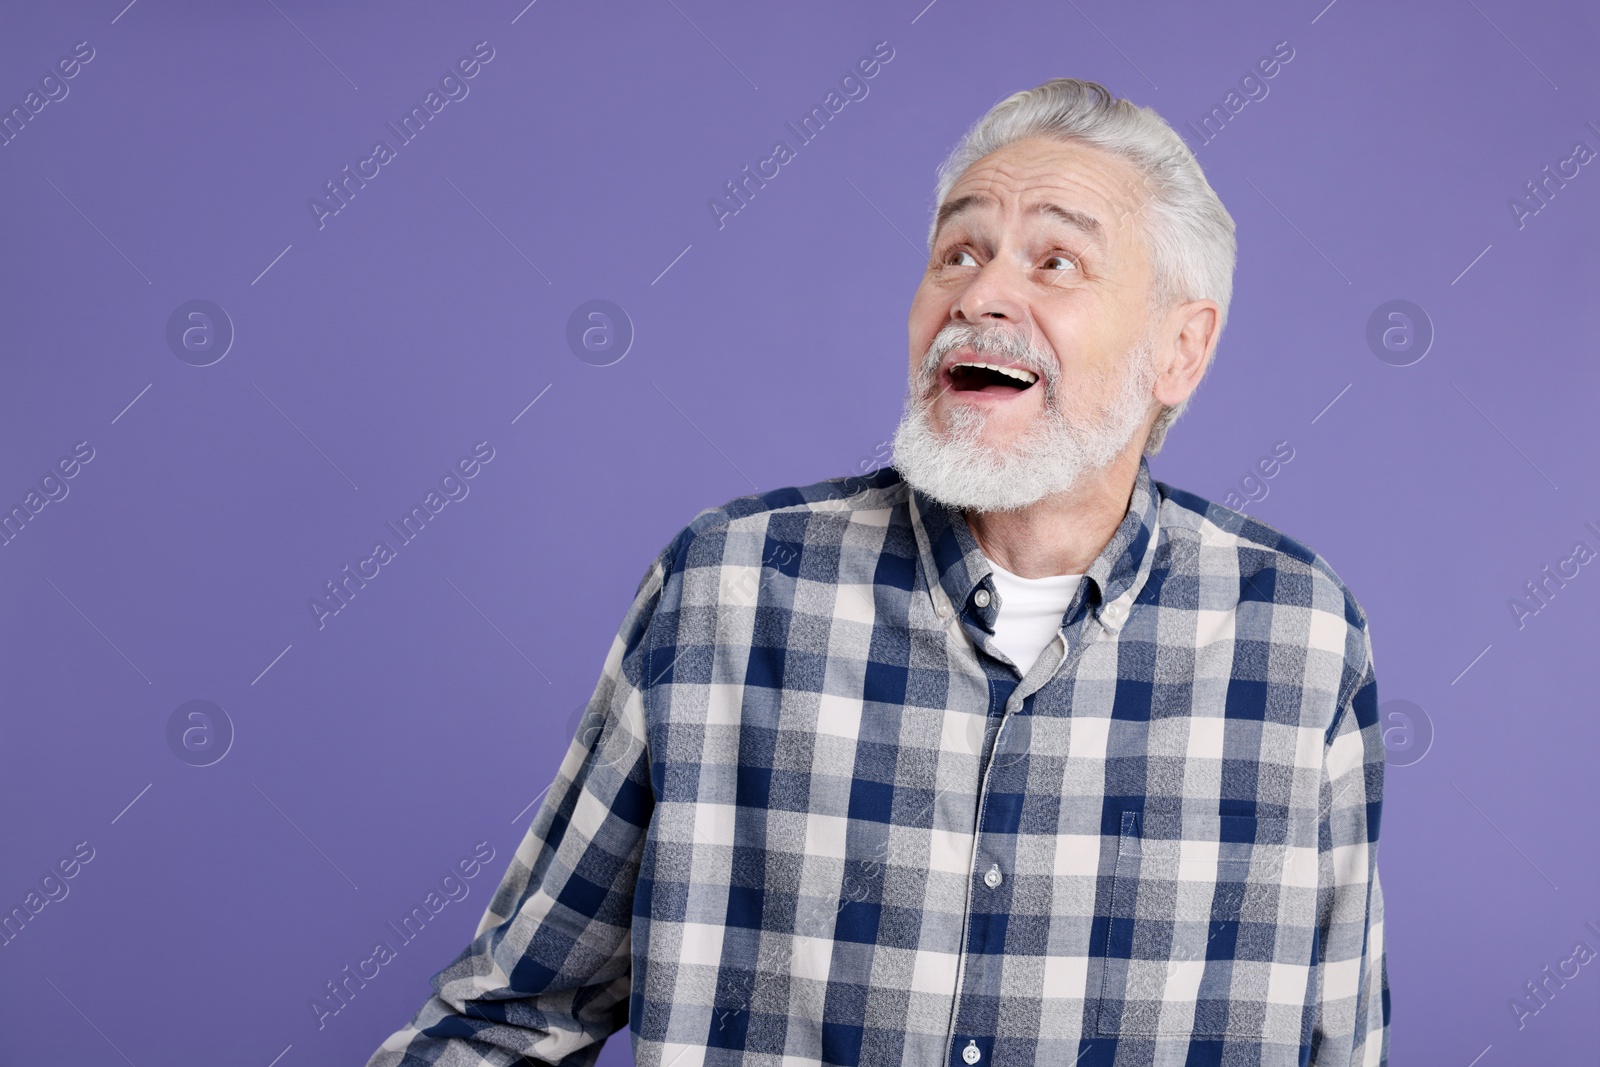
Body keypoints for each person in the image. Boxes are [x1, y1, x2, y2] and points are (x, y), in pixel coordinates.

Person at [365, 77, 1387, 1067]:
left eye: (1055, 262)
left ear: (1180, 348)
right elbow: (505, 1023)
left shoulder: (1297, 637)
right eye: (957, 251)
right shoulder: (727, 590)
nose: (979, 293)